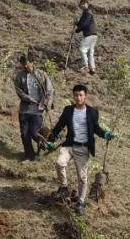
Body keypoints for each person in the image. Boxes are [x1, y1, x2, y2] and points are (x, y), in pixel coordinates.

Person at [46, 84, 114, 214]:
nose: (78, 98)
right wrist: (51, 140)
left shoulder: (93, 112)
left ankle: (81, 202)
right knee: (60, 163)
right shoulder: (68, 110)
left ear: (85, 96)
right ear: (73, 96)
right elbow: (59, 126)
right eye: (76, 95)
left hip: (83, 149)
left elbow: (96, 128)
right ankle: (64, 187)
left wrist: (105, 134)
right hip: (69, 145)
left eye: (81, 95)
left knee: (82, 177)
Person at [13, 55, 54, 161]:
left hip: (38, 110)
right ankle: (29, 156)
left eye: (27, 63)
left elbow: (49, 90)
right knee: (24, 134)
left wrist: (47, 103)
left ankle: (44, 144)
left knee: (34, 132)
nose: (26, 66)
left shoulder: (42, 75)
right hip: (25, 110)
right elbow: (20, 92)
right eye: (23, 64)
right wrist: (30, 99)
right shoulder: (19, 77)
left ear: (32, 62)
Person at [75, 0, 97, 75]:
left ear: (87, 4)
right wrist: (77, 23)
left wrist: (78, 30)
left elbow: (85, 24)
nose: (82, 6)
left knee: (82, 49)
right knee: (90, 52)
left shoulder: (88, 13)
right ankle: (92, 68)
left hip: (89, 34)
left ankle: (86, 66)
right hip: (93, 34)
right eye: (81, 5)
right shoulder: (85, 13)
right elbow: (81, 23)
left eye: (83, 4)